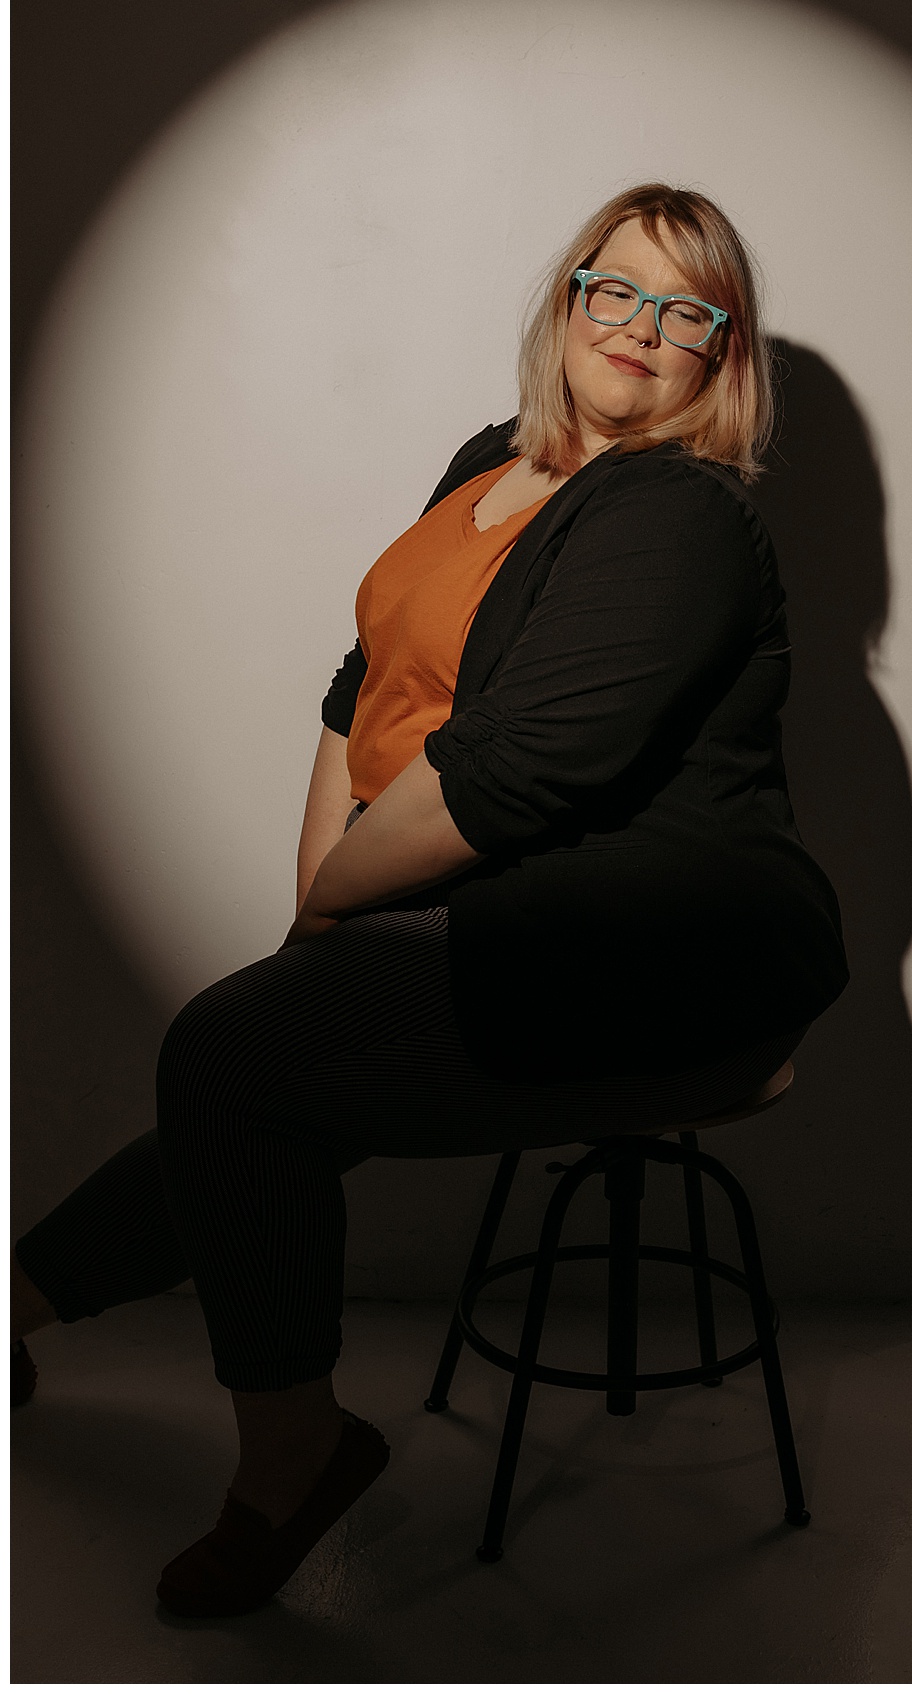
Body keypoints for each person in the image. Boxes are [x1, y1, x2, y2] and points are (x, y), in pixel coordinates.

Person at [11, 183, 849, 1616]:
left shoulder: (675, 511)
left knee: (229, 1055)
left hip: (641, 951)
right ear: (567, 299)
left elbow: (516, 775)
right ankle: (22, 1297)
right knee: (253, 1071)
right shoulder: (489, 459)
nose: (644, 329)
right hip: (450, 898)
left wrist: (337, 905)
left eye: (687, 310)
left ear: (725, 354)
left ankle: (297, 1460)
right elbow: (366, 677)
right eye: (617, 289)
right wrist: (322, 893)